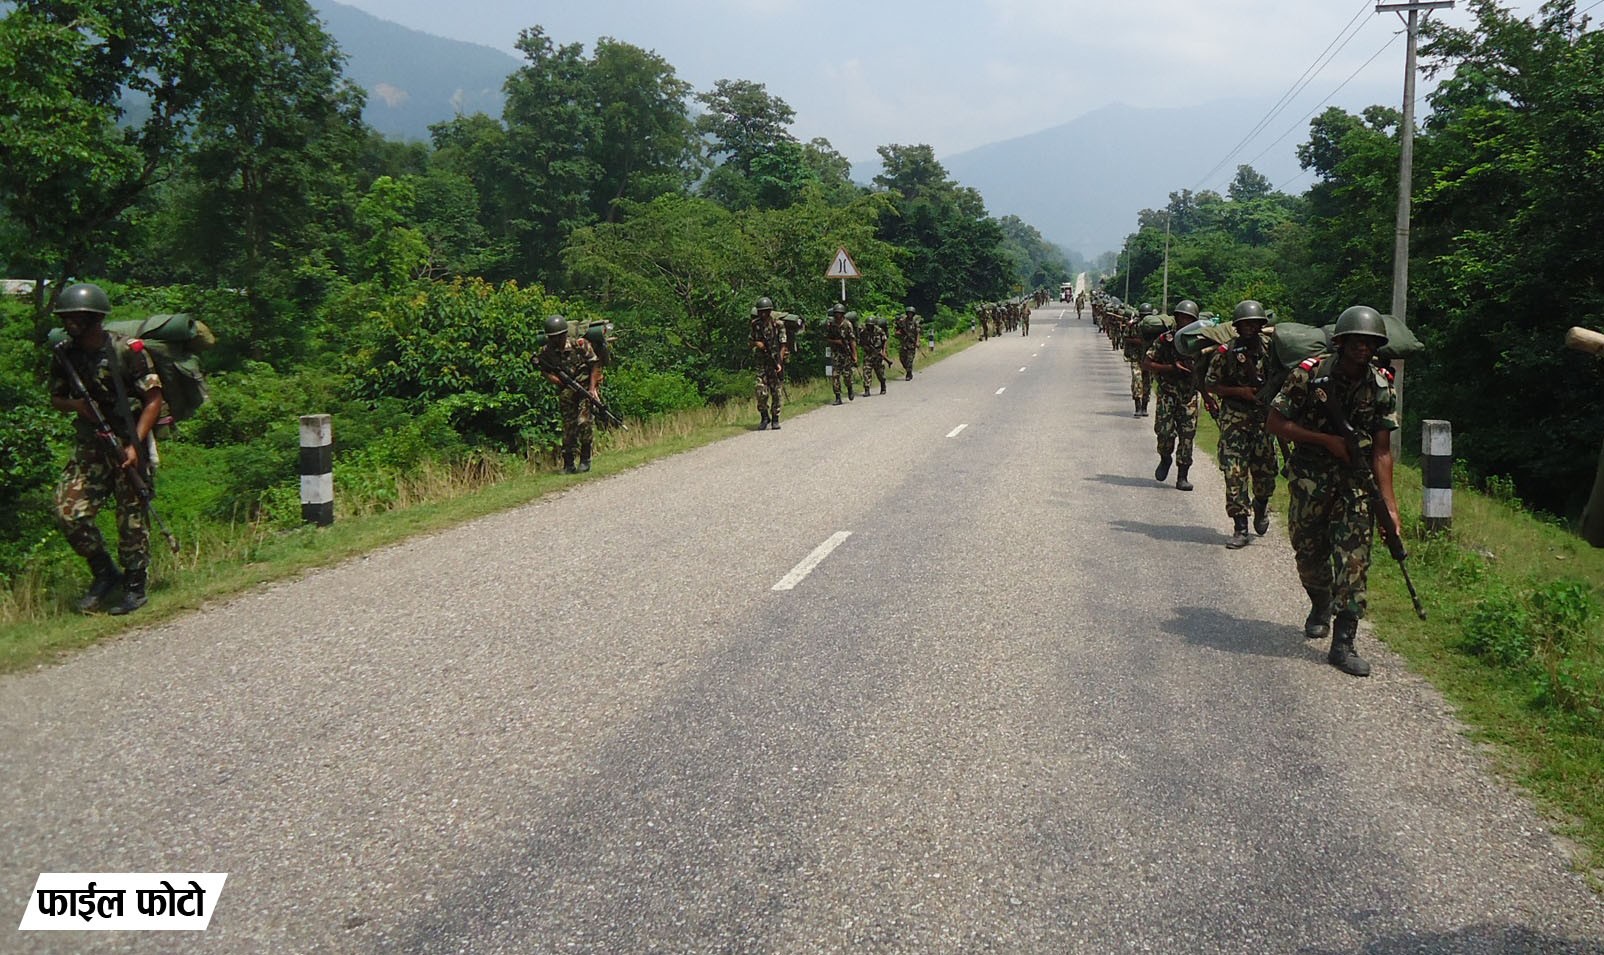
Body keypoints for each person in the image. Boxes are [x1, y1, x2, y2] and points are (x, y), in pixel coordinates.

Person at [1266, 305, 1401, 677]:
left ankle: (1344, 642)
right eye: (1356, 341)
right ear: (1341, 342)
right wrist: (1325, 440)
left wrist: (1390, 508)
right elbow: (1276, 423)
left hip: (1356, 485)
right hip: (1310, 478)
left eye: (1370, 343)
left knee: (1353, 560)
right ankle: (1320, 602)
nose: (1363, 348)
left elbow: (1382, 451)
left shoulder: (1381, 385)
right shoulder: (1309, 376)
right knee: (1308, 554)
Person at [48, 282, 164, 615]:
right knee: (67, 511)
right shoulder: (65, 355)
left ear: (93, 318)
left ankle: (134, 585)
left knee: (131, 517)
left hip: (129, 440)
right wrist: (76, 406)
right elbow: (55, 397)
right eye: (66, 317)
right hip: (90, 445)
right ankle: (104, 574)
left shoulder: (127, 351)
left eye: (76, 317)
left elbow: (154, 400)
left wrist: (134, 444)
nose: (70, 323)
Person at [1205, 301, 1279, 548]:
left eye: (1254, 323)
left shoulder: (1271, 349)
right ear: (1237, 326)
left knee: (1266, 473)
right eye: (1244, 324)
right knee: (1234, 473)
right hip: (1234, 419)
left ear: (1261, 325)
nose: (1249, 327)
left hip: (1263, 421)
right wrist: (1239, 392)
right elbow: (1211, 384)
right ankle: (1240, 527)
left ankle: (1260, 505)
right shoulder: (1225, 352)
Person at [1143, 300, 1201, 490]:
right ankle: (1165, 457)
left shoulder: (1200, 342)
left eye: (1189, 318)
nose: (1184, 321)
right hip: (1168, 392)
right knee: (1164, 432)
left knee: (1187, 436)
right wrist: (1170, 368)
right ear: (1176, 318)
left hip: (1189, 395)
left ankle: (1182, 476)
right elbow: (1147, 363)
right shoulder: (1165, 340)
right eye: (1181, 317)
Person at [539, 315, 602, 473]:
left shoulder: (579, 344)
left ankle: (585, 459)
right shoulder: (546, 351)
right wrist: (555, 380)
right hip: (567, 391)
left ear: (564, 334)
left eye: (558, 337)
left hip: (585, 385)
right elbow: (543, 370)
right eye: (552, 338)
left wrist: (593, 389)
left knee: (584, 421)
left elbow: (595, 365)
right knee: (568, 426)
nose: (556, 340)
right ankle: (568, 464)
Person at [750, 296, 788, 429]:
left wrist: (780, 362)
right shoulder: (755, 325)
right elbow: (750, 341)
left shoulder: (778, 325)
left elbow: (783, 344)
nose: (763, 314)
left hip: (775, 361)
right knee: (761, 391)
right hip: (761, 362)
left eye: (765, 311)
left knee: (776, 392)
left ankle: (775, 418)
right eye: (761, 311)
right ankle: (764, 417)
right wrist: (757, 344)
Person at [823, 303, 858, 404]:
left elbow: (852, 340)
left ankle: (850, 388)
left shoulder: (847, 324)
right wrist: (836, 342)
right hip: (836, 353)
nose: (837, 315)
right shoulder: (831, 324)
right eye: (836, 313)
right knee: (835, 375)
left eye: (839, 313)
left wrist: (854, 355)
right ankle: (838, 396)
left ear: (843, 314)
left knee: (847, 375)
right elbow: (827, 338)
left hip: (846, 353)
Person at [858, 314, 889, 396]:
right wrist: (865, 346)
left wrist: (884, 351)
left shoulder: (879, 331)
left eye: (871, 325)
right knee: (866, 371)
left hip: (878, 354)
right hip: (868, 355)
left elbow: (885, 340)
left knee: (880, 373)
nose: (869, 327)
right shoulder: (863, 332)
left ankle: (883, 386)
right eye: (868, 325)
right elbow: (860, 342)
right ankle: (867, 389)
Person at [895, 306, 921, 381]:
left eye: (911, 313)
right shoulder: (902, 322)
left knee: (909, 360)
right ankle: (908, 370)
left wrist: (917, 342)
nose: (910, 314)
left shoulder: (915, 322)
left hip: (912, 344)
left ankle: (908, 374)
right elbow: (897, 330)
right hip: (904, 343)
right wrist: (898, 333)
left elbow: (918, 333)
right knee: (902, 359)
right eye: (909, 313)